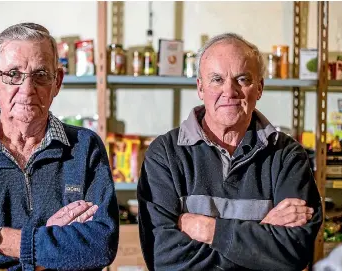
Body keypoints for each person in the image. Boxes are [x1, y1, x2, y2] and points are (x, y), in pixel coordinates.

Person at [0, 23, 119, 271]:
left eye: (40, 75)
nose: (27, 90)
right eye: (13, 75)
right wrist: (47, 254)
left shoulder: (84, 147)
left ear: (57, 82)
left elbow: (99, 248)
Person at [137, 33, 323, 271]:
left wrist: (209, 230)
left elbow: (294, 252)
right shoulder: (165, 155)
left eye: (242, 79)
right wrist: (260, 233)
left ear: (259, 88)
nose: (229, 91)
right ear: (200, 88)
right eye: (216, 79)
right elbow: (164, 259)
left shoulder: (287, 156)